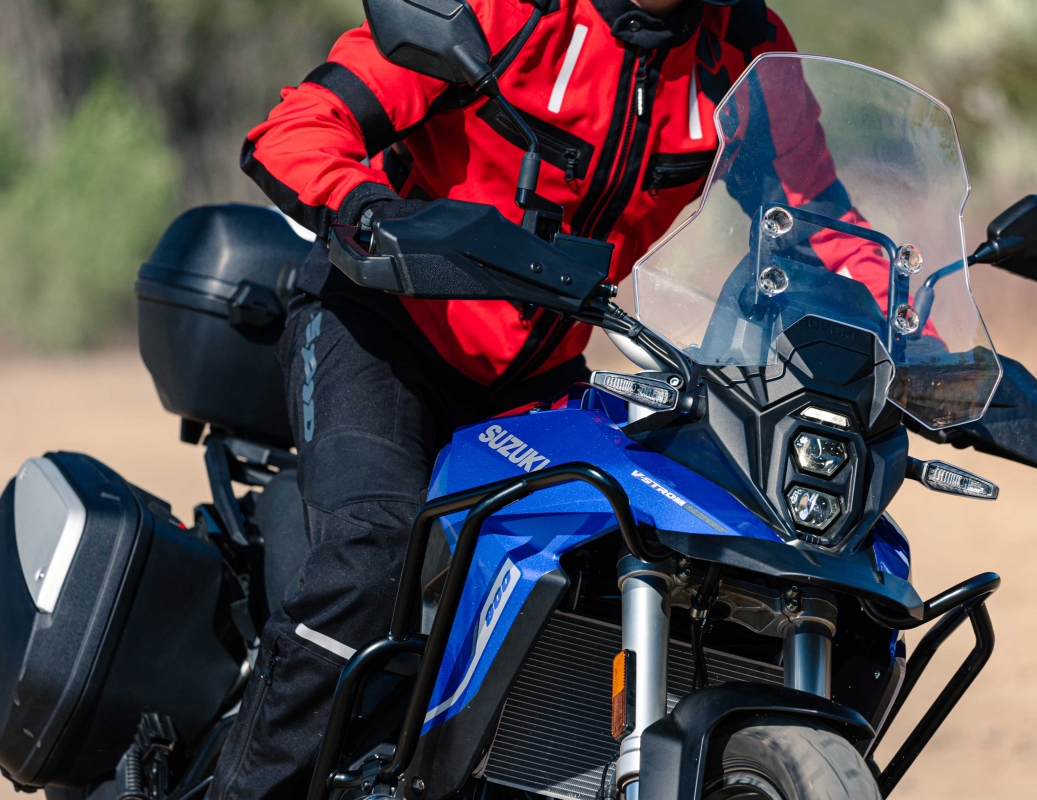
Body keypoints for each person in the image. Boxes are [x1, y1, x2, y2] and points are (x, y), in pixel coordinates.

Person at [212, 0, 807, 797]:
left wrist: (924, 346)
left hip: (540, 373)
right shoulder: (510, 10)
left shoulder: (744, 50)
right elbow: (297, 129)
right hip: (384, 325)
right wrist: (368, 208)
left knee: (606, 580)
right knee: (373, 554)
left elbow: (828, 224)